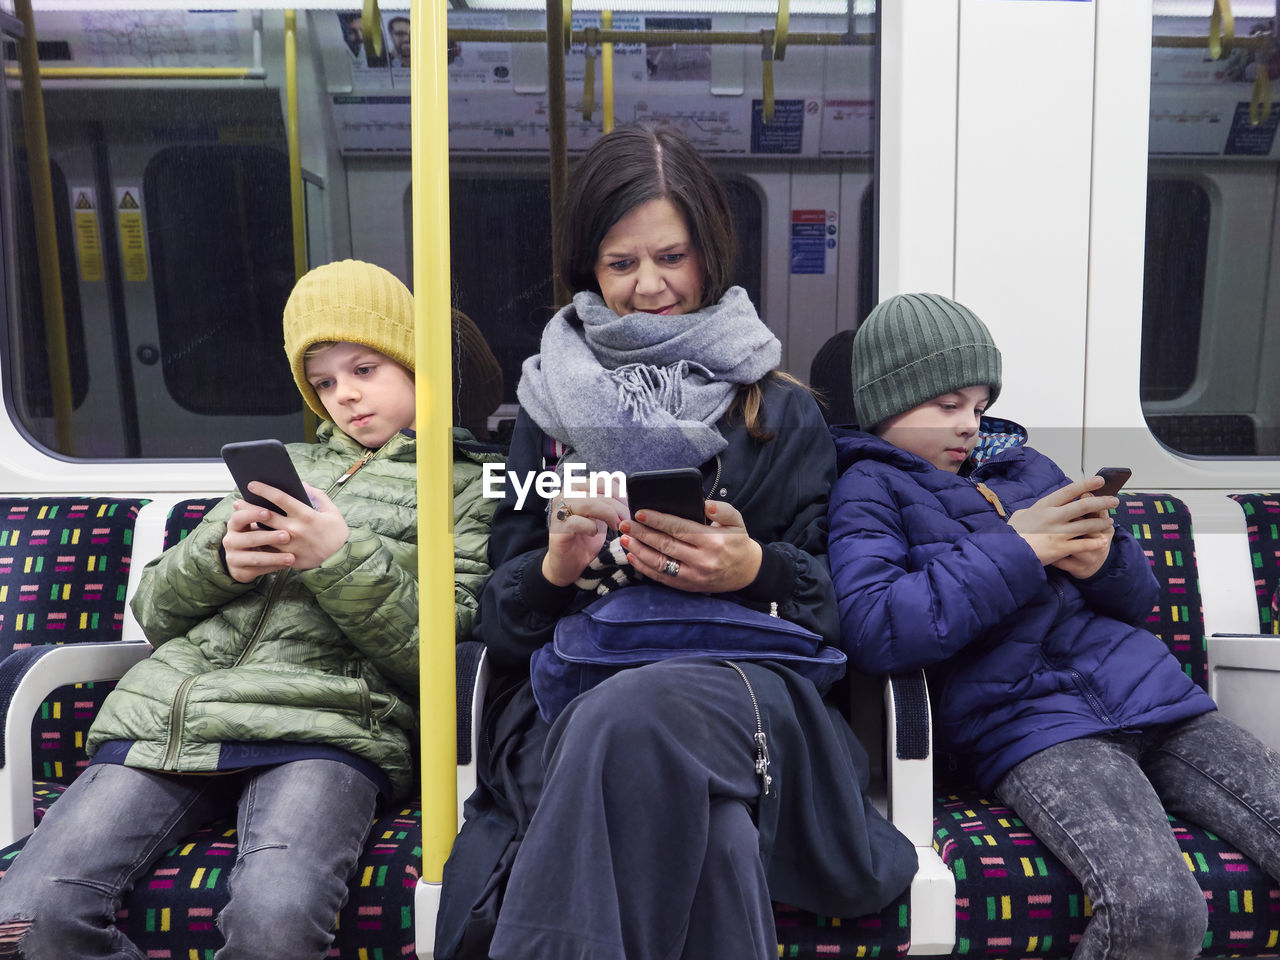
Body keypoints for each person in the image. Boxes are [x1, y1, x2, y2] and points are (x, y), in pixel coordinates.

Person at [435, 122, 916, 960]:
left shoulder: (783, 414)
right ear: (589, 267)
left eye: (672, 257)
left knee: (630, 715)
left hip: (744, 691)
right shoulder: (544, 417)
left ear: (711, 256)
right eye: (621, 264)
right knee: (717, 834)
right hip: (568, 686)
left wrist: (752, 567)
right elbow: (500, 625)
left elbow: (845, 612)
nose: (649, 286)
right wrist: (554, 569)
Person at [0, 260, 503, 960]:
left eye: (364, 369)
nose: (345, 398)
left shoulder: (471, 488)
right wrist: (218, 564)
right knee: (26, 920)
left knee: (275, 921)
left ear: (415, 361)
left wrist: (338, 557)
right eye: (324, 382)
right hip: (173, 718)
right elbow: (153, 607)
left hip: (328, 728)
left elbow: (440, 649)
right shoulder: (279, 471)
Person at [827, 292, 1280, 960]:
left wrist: (1105, 561)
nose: (968, 426)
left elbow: (1138, 601)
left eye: (978, 407)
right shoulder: (867, 487)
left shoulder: (1026, 467)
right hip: (1031, 725)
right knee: (1158, 909)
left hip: (1155, 698)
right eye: (946, 406)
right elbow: (878, 626)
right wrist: (1019, 548)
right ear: (887, 403)